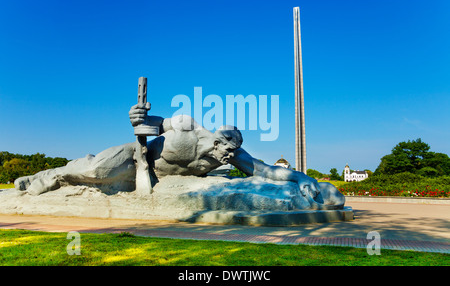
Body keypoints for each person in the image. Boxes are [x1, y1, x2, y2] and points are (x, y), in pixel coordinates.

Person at [14, 103, 345, 209]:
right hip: (137, 158)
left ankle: (69, 170)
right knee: (96, 170)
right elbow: (149, 123)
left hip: (154, 182)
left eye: (233, 153)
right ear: (217, 140)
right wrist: (136, 115)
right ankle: (52, 174)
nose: (228, 157)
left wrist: (303, 178)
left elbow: (265, 171)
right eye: (226, 150)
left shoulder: (229, 156)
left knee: (99, 176)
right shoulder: (187, 127)